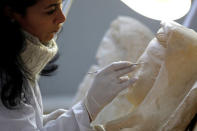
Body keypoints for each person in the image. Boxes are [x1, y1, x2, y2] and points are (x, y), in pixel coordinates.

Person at [0, 0, 137, 130]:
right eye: (51, 10)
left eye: (60, 5)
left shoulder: (18, 64)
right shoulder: (5, 77)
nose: (61, 17)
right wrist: (87, 109)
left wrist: (44, 121)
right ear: (11, 12)